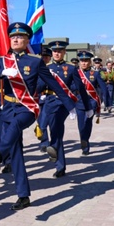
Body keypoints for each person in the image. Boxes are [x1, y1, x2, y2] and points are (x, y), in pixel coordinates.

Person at [0, 22, 76, 210]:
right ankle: (23, 196)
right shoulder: (3, 61)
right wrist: (2, 72)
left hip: (27, 109)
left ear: (27, 40)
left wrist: (69, 105)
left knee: (15, 126)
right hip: (6, 108)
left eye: (20, 37)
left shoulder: (35, 62)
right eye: (13, 37)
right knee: (16, 154)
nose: (16, 39)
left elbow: (54, 84)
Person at [40, 41, 80, 177]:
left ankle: (58, 161)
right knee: (52, 129)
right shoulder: (46, 67)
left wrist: (86, 107)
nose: (57, 53)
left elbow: (79, 87)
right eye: (54, 51)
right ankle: (58, 160)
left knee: (56, 124)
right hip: (49, 101)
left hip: (63, 103)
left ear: (64, 53)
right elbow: (38, 85)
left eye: (60, 51)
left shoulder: (71, 68)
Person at [73, 51, 105, 154]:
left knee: (88, 123)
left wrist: (105, 102)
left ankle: (85, 143)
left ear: (90, 62)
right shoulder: (75, 73)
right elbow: (70, 86)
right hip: (79, 102)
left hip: (91, 103)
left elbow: (102, 88)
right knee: (81, 125)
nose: (84, 63)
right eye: (82, 61)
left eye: (86, 61)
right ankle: (84, 140)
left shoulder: (95, 74)